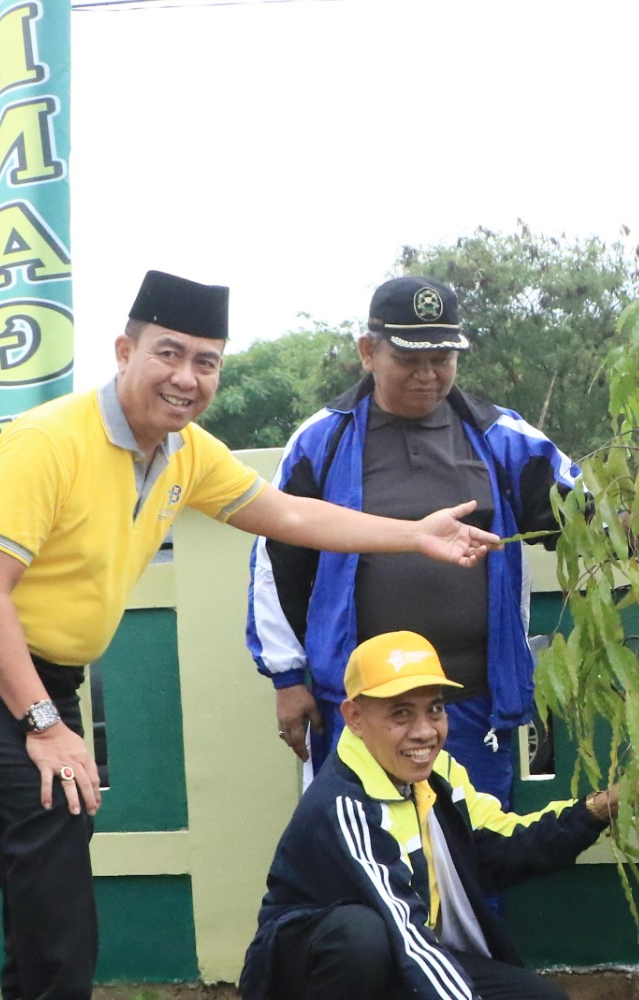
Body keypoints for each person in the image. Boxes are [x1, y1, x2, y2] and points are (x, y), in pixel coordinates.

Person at [0, 270, 499, 1000]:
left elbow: (292, 517)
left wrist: (416, 536)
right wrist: (43, 726)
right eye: (169, 354)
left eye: (206, 362)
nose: (187, 377)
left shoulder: (183, 452)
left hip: (44, 664)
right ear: (125, 350)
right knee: (53, 810)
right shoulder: (49, 440)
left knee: (44, 825)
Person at [242, 631, 619, 1000]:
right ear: (354, 717)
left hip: (395, 965)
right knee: (359, 934)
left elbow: (507, 846)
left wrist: (600, 809)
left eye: (434, 710)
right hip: (304, 981)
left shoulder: (437, 780)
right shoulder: (344, 803)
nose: (424, 731)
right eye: (401, 713)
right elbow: (407, 934)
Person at [247, 274, 579, 806]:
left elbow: (579, 516)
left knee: (474, 853)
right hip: (359, 707)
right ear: (368, 352)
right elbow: (274, 559)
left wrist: (638, 524)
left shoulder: (502, 436)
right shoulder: (322, 440)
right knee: (362, 859)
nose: (428, 375)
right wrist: (286, 678)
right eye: (409, 359)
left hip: (470, 705)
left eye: (442, 359)